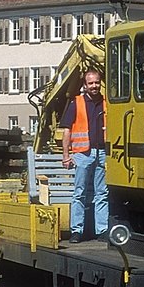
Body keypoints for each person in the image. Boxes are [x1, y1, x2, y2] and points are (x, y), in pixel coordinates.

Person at [60, 69, 108, 243]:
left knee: (102, 193)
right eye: (91, 83)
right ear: (85, 85)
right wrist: (66, 155)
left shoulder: (106, 102)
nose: (94, 86)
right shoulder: (77, 103)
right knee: (79, 193)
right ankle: (77, 230)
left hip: (102, 153)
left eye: (96, 82)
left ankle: (102, 230)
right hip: (82, 154)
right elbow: (67, 129)